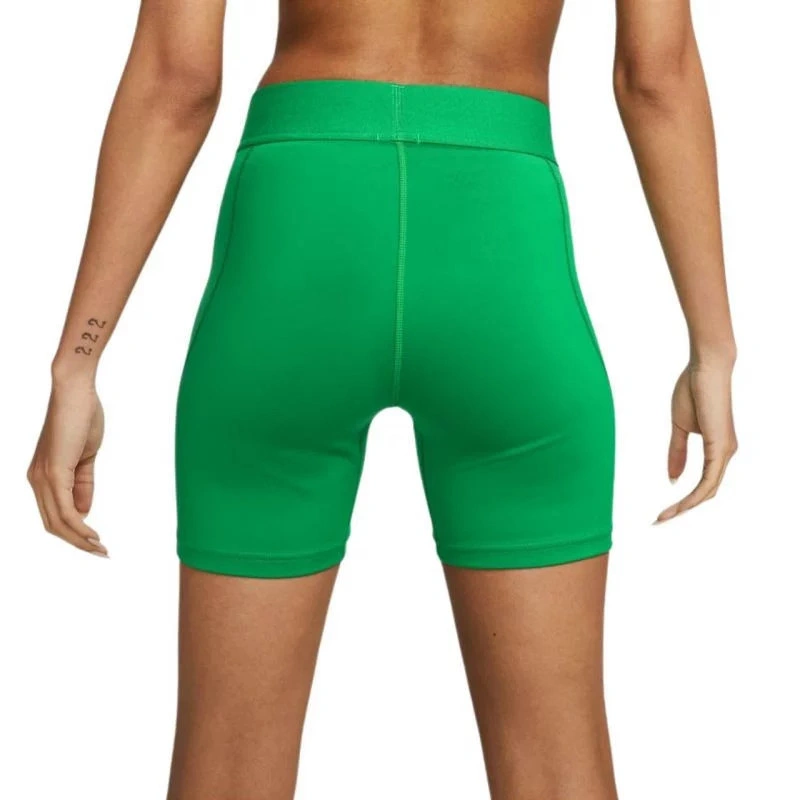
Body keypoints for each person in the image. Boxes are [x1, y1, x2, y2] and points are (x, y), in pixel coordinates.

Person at [27, 0, 737, 797]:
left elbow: (177, 78)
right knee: (556, 759)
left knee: (226, 761)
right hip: (502, 246)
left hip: (297, 235)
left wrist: (77, 362)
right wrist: (712, 348)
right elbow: (656, 75)